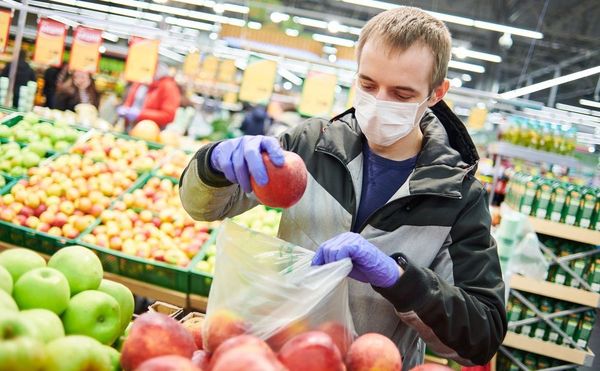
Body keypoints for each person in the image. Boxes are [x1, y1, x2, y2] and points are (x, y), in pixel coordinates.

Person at [179, 7, 506, 369]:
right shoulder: (311, 145)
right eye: (367, 85)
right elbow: (203, 208)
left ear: (435, 93)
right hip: (282, 357)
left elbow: (482, 335)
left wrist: (399, 279)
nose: (379, 102)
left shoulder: (458, 197)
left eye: (401, 94)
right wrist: (214, 164)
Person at [117, 62, 181, 129]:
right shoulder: (139, 81)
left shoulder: (169, 87)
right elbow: (131, 100)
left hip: (150, 130)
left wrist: (140, 114)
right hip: (129, 126)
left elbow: (168, 115)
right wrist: (125, 108)